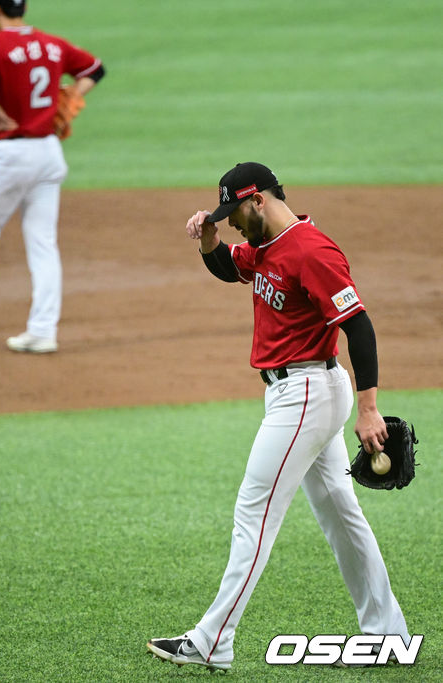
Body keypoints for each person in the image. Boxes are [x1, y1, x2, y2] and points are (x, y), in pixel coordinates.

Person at [147, 162, 410, 671]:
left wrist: (370, 409)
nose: (233, 224)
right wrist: (207, 241)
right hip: (296, 393)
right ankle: (387, 635)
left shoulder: (311, 251)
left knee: (254, 513)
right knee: (341, 514)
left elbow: (360, 327)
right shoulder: (266, 247)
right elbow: (231, 267)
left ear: (258, 199)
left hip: (308, 394)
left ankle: (212, 640)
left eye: (235, 213)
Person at [0, 0, 105, 353]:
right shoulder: (52, 44)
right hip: (48, 153)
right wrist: (72, 94)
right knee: (43, 242)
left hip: (11, 154)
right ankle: (42, 331)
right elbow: (96, 69)